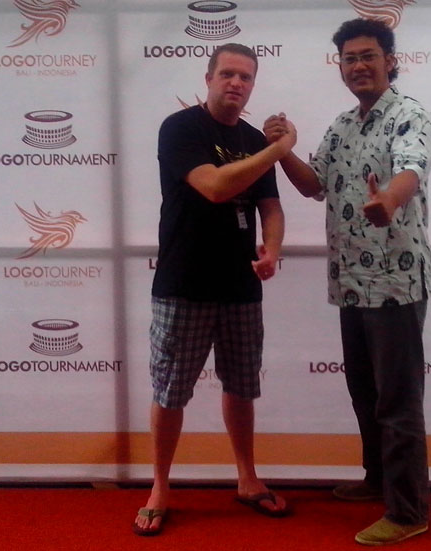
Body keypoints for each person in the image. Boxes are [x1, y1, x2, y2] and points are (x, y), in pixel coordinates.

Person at [264, 18, 431, 546]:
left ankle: (408, 512)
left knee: (397, 402)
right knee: (365, 392)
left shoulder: (411, 116)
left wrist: (389, 200)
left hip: (396, 281)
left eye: (368, 56)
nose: (359, 65)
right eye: (349, 58)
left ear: (390, 61)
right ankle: (377, 480)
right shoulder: (341, 126)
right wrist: (283, 148)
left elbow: (410, 170)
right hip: (352, 281)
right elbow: (313, 184)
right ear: (340, 67)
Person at [134, 43, 297, 536]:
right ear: (208, 78)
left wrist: (272, 249)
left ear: (253, 85)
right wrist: (279, 149)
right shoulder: (180, 128)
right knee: (171, 392)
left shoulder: (253, 138)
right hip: (183, 283)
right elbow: (215, 186)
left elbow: (270, 206)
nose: (236, 83)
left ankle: (247, 478)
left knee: (242, 386)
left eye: (245, 77)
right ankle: (159, 486)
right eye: (227, 74)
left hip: (240, 284)